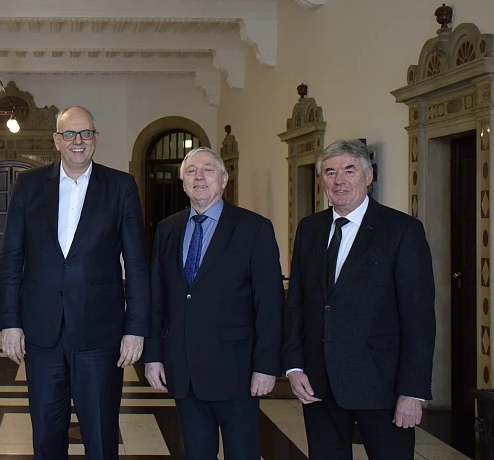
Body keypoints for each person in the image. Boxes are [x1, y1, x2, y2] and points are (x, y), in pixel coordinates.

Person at [0, 106, 150, 460]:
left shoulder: (121, 186)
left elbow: (138, 263)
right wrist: (10, 322)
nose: (77, 141)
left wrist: (136, 328)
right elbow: (11, 258)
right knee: (46, 438)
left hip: (100, 334)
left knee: (100, 436)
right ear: (56, 140)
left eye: (85, 134)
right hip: (41, 334)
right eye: (69, 134)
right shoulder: (29, 185)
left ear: (96, 138)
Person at [283, 139, 436, 460]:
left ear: (369, 176)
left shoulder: (402, 230)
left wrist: (413, 391)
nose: (339, 180)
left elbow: (419, 318)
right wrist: (294, 366)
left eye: (349, 170)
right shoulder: (309, 228)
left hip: (383, 386)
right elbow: (296, 302)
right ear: (322, 180)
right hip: (319, 385)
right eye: (330, 172)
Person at [143, 147, 283, 459]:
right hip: (184, 372)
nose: (199, 177)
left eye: (208, 169)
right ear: (182, 183)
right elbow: (158, 298)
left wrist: (265, 365)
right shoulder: (167, 229)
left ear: (224, 179)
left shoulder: (254, 228)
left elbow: (270, 304)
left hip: (237, 371)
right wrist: (153, 356)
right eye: (191, 171)